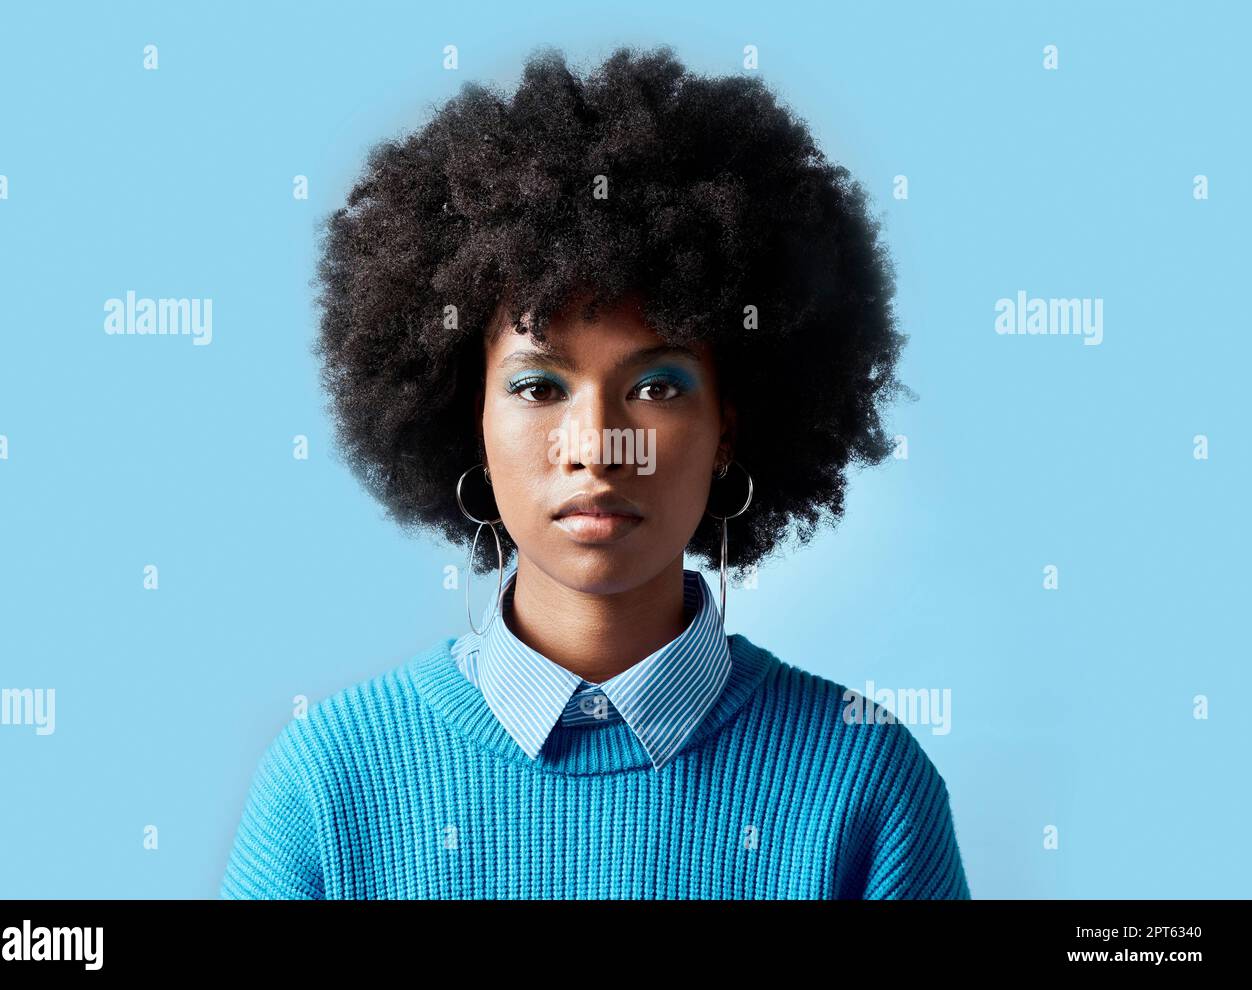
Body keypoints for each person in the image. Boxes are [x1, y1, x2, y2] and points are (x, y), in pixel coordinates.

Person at [220, 44, 969, 899]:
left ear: (729, 424)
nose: (599, 443)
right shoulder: (328, 782)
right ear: (470, 416)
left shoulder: (865, 782)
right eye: (539, 385)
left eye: (657, 385)